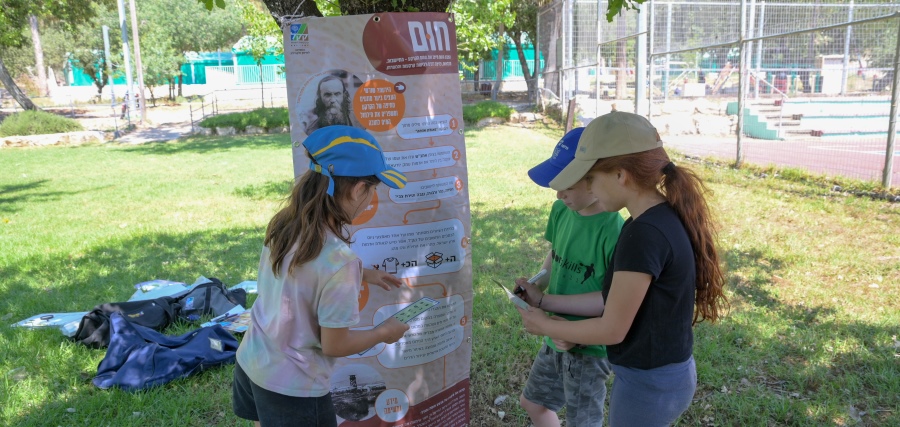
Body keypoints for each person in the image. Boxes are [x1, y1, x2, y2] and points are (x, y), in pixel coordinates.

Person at [516, 111, 728, 427]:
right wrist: (544, 303)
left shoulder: (642, 234)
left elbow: (612, 328)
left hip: (651, 383)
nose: (589, 189)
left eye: (589, 179)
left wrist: (547, 326)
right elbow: (612, 300)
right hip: (660, 375)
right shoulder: (651, 220)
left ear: (620, 175)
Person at [232, 125, 411, 427]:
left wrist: (364, 274)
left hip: (253, 361)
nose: (370, 199)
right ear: (357, 189)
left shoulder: (286, 225)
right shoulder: (339, 262)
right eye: (373, 189)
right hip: (295, 388)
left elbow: (299, 274)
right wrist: (385, 332)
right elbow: (335, 345)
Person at [516, 127, 624, 427]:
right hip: (554, 334)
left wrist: (549, 303)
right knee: (532, 402)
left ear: (595, 181)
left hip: (588, 346)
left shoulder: (614, 230)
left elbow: (610, 301)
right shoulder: (561, 210)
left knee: (583, 422)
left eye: (567, 185)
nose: (558, 193)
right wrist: (536, 283)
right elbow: (556, 254)